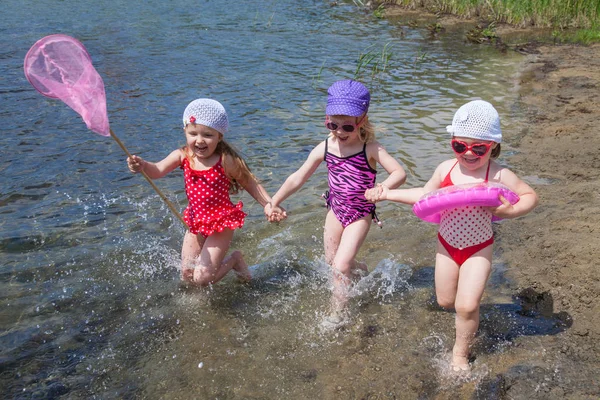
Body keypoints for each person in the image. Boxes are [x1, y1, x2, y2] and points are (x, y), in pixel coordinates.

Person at [365, 100, 539, 371]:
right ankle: (467, 311)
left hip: (479, 247)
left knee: (466, 306)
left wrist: (510, 210)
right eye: (460, 146)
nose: (468, 154)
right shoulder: (445, 169)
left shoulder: (498, 173)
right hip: (446, 245)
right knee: (446, 301)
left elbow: (530, 195)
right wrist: (387, 193)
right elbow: (424, 195)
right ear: (453, 142)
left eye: (478, 148)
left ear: (492, 145)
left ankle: (459, 354)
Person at [266, 80, 406, 320]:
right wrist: (274, 200)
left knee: (340, 266)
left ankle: (336, 315)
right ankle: (362, 272)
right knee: (333, 262)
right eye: (332, 124)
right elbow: (298, 177)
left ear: (362, 120)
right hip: (335, 210)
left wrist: (382, 188)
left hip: (360, 213)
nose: (339, 132)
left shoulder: (370, 148)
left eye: (347, 127)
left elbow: (400, 173)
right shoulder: (325, 147)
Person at [127, 98, 284, 286]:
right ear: (185, 131)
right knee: (187, 275)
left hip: (221, 223)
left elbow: (250, 183)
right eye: (193, 133)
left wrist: (269, 204)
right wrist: (143, 165)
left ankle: (234, 259)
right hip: (195, 221)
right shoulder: (183, 155)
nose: (199, 140)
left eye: (207, 135)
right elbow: (157, 171)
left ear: (220, 136)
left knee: (201, 278)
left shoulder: (226, 160)